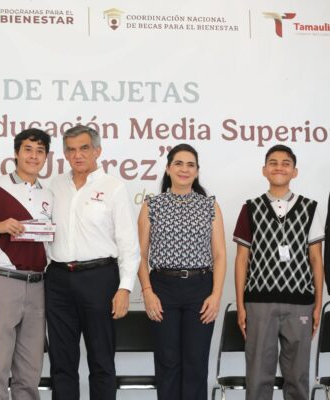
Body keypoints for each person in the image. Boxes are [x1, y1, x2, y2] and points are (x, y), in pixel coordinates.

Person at [46, 125, 140, 400]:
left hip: (100, 279)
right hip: (58, 280)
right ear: (65, 154)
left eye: (84, 148)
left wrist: (124, 288)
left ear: (97, 151)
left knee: (101, 361)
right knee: (61, 362)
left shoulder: (114, 188)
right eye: (71, 150)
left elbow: (129, 244)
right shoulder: (54, 186)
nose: (78, 155)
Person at [234, 144, 325, 400]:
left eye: (286, 163)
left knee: (297, 376)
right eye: (273, 163)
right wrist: (241, 305)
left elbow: (316, 259)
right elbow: (242, 260)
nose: (279, 167)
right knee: (257, 376)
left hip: (300, 303)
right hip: (259, 302)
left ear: (295, 172)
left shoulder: (310, 208)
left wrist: (318, 304)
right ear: (264, 170)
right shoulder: (250, 208)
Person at [136, 143, 226, 400]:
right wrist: (147, 292)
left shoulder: (209, 205)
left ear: (197, 171)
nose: (184, 169)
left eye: (190, 165)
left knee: (196, 363)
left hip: (201, 288)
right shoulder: (152, 205)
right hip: (162, 288)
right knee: (167, 362)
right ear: (168, 169)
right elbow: (140, 254)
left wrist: (216, 295)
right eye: (178, 163)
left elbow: (220, 255)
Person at [0, 128, 53, 400]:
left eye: (40, 151)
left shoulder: (49, 195)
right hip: (3, 281)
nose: (34, 156)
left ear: (46, 157)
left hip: (38, 284)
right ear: (16, 153)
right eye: (28, 149)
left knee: (30, 369)